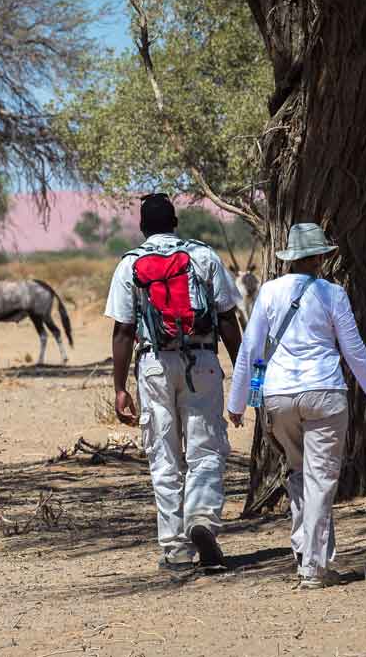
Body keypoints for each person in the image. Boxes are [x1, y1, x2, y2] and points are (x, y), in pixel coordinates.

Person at [227, 223, 366, 589]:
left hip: (278, 398)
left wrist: (237, 401)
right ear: (322, 257)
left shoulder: (270, 292)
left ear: (290, 258)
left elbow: (250, 349)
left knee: (297, 474)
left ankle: (306, 551)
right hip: (324, 394)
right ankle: (314, 568)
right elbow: (355, 353)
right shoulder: (333, 294)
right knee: (321, 481)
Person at [105, 193, 243, 572]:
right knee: (206, 448)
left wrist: (120, 388)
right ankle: (201, 519)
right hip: (202, 361)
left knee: (164, 457)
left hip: (153, 365)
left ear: (143, 228)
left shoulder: (130, 264)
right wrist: (246, 375)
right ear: (176, 223)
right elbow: (228, 320)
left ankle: (176, 550)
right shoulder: (204, 257)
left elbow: (122, 330)